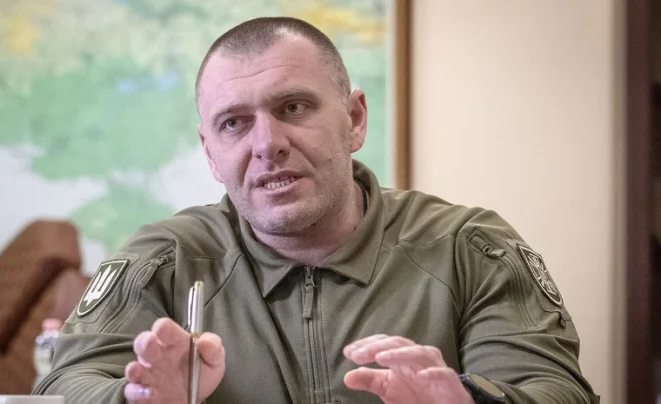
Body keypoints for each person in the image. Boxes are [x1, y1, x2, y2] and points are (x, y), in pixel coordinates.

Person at [32, 17, 600, 404]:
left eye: (294, 107)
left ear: (354, 120)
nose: (266, 144)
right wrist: (138, 399)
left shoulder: (467, 247)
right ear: (210, 151)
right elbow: (61, 387)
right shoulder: (168, 257)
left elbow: (557, 390)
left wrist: (468, 401)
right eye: (234, 123)